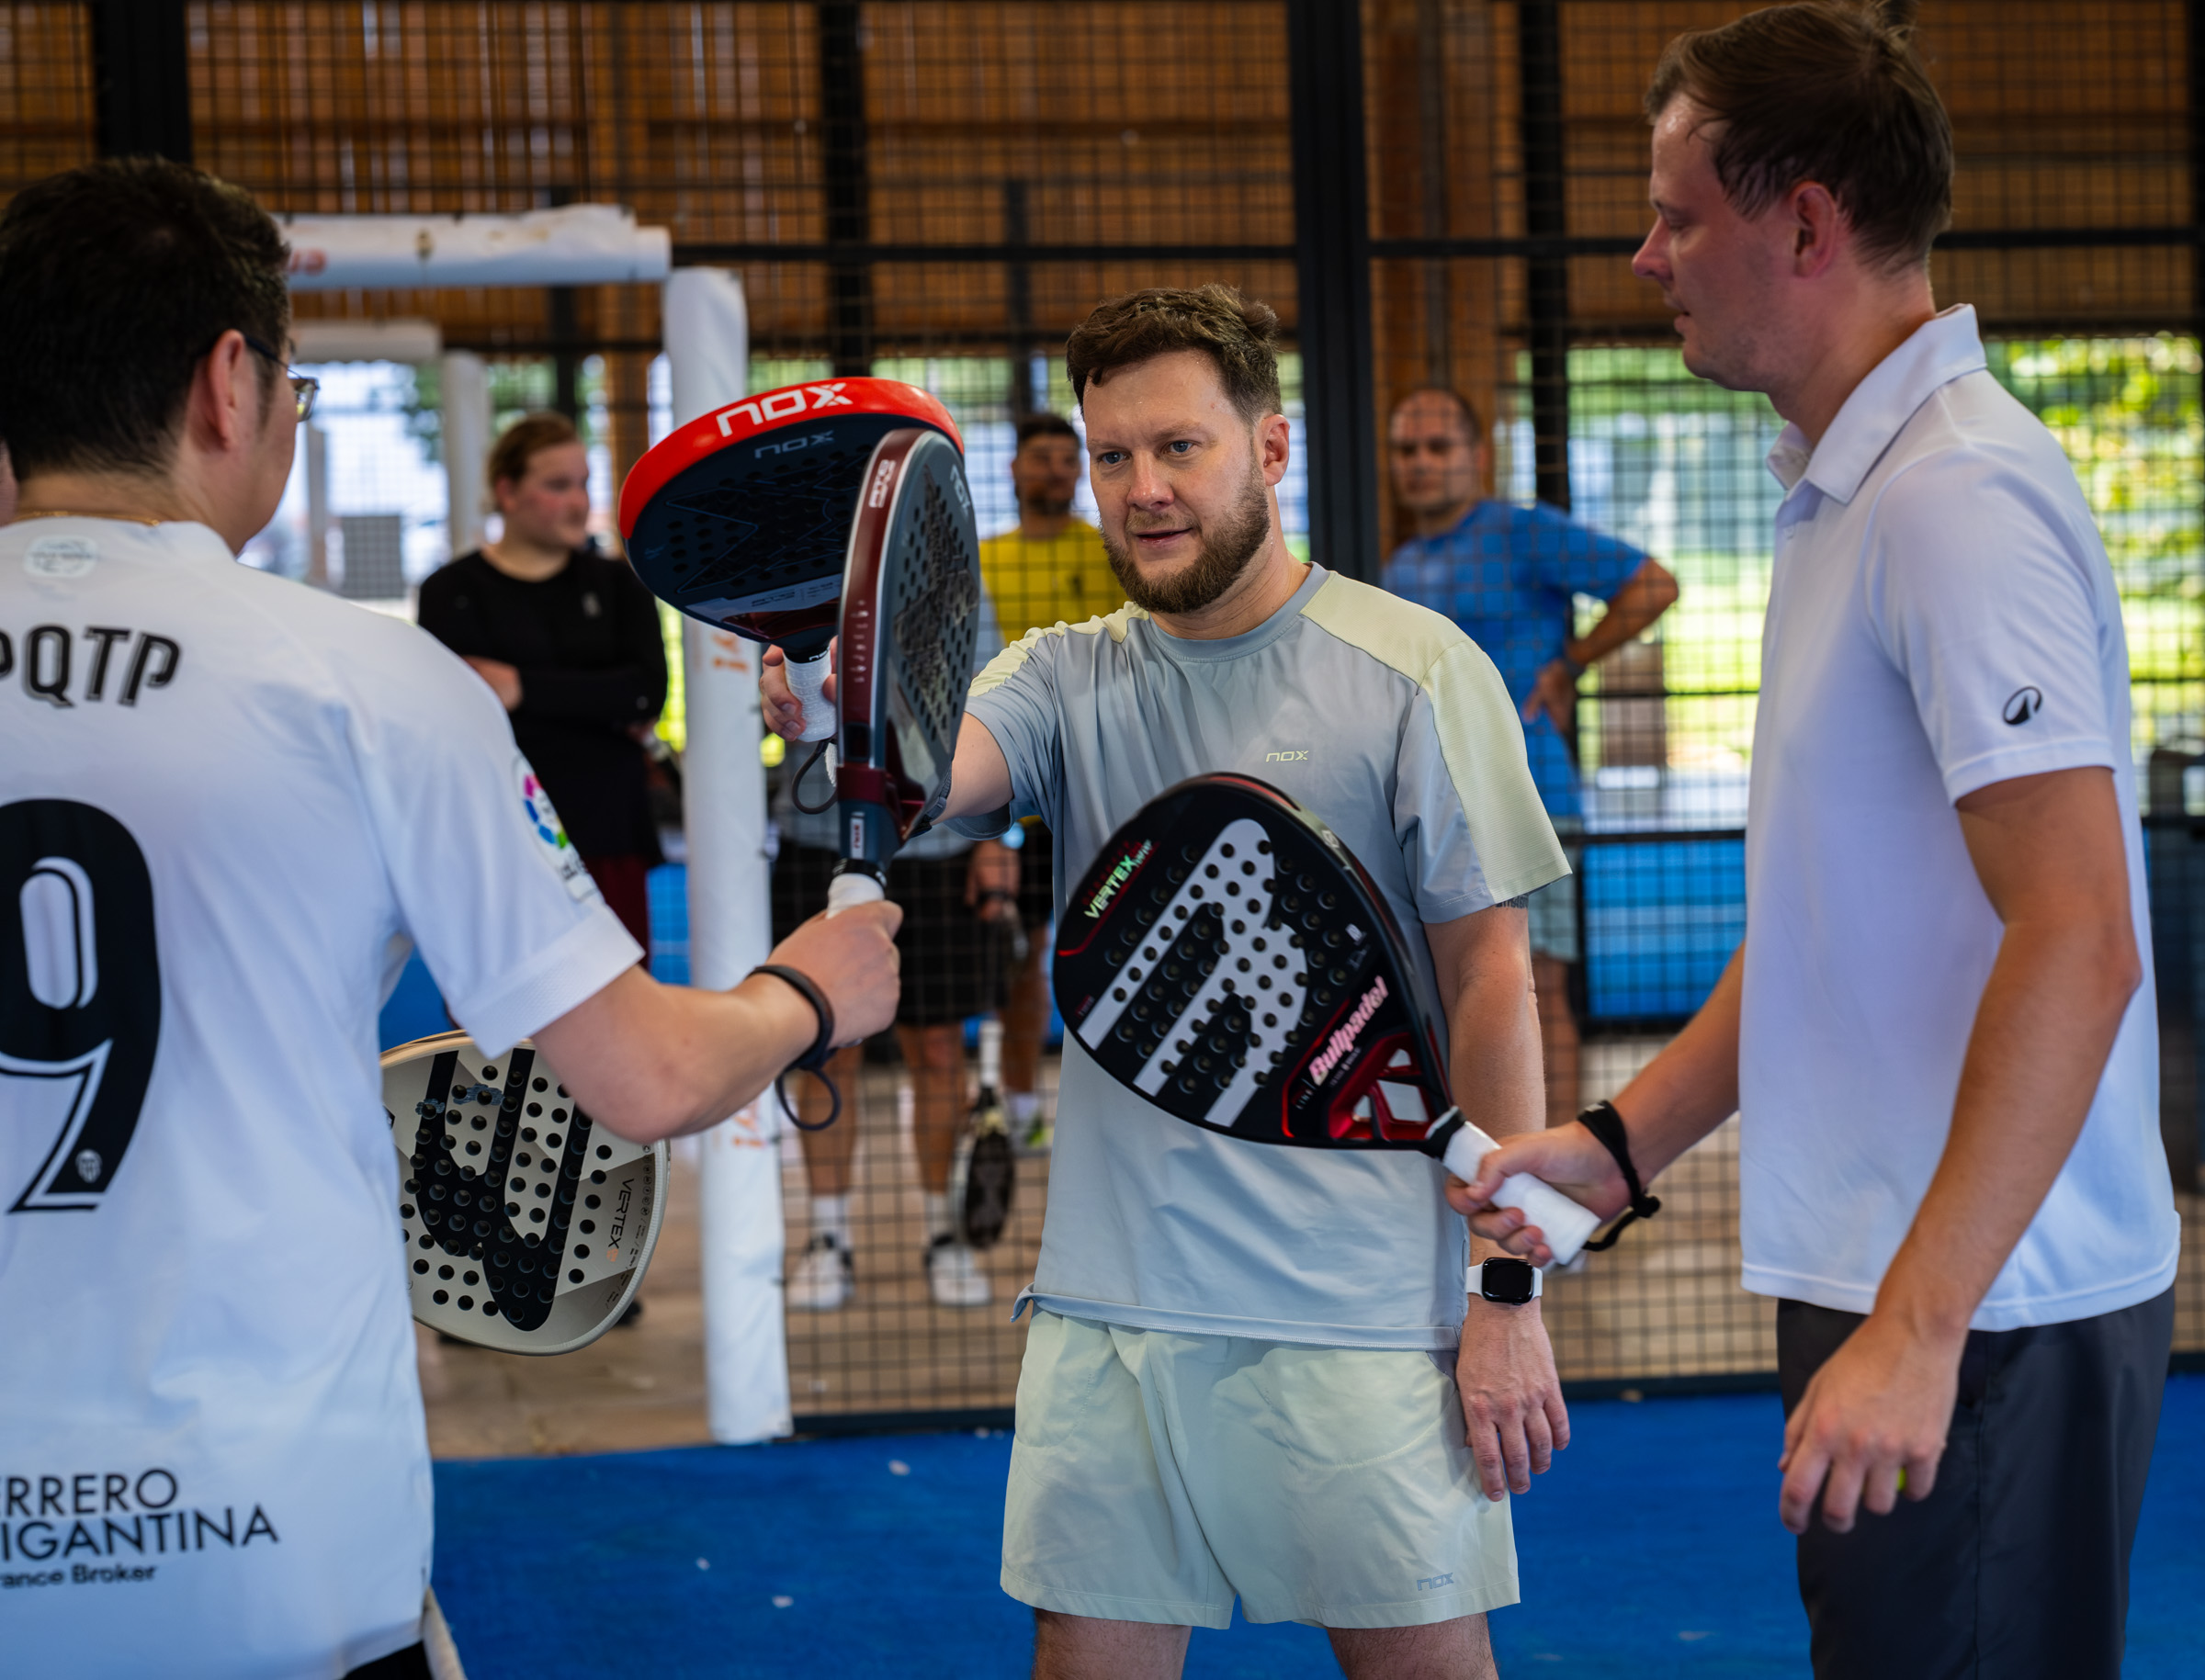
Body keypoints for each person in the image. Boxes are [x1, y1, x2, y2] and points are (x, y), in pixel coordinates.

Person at [0, 158, 900, 1679]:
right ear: (230, 381)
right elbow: (643, 1076)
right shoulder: (368, 680)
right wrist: (805, 992)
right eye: (291, 379)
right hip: (274, 1544)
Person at [1458, 6, 2178, 1675]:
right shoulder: (1855, 486)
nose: (1646, 257)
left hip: (1985, 1307)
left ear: (1806, 224)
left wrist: (1923, 1323)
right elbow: (1830, 938)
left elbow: (2078, 933)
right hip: (1928, 1287)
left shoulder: (1951, 499)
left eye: (1678, 214)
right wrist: (1623, 1145)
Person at [767, 285, 1572, 1680]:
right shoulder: (1065, 675)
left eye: (1179, 449)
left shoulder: (1414, 671)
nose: (1141, 490)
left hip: (1367, 1318)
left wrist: (1509, 1296)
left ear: (1268, 451)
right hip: (1112, 1316)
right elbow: (926, 780)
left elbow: (1490, 983)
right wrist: (836, 722)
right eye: (1112, 456)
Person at [1384, 389, 1677, 1128]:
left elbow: (1652, 584)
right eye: (1406, 450)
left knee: (1537, 987)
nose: (1420, 463)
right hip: (1436, 807)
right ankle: (1488, 1176)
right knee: (1458, 994)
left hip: (1530, 798)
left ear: (1478, 456)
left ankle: (1555, 1184)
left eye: (1438, 447)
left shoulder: (1523, 532)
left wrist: (1570, 664)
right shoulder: (1402, 565)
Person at [775, 614, 1019, 1312]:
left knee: (940, 1049)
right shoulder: (790, 573)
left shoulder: (940, 550)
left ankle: (945, 1233)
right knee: (825, 1049)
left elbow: (997, 708)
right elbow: (760, 709)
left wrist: (1003, 839)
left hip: (938, 845)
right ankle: (827, 1238)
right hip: (818, 842)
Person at [417, 414, 669, 953]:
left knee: (620, 1018)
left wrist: (520, 688)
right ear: (507, 492)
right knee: (505, 1026)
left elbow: (646, 692)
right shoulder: (450, 592)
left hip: (605, 830)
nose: (578, 501)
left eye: (583, 483)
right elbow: (449, 716)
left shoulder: (619, 585)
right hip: (495, 836)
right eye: (557, 485)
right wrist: (594, 700)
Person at [977, 412, 1124, 1148]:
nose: (1058, 471)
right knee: (1026, 956)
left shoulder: (1108, 551)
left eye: (1071, 459)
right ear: (1014, 470)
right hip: (1016, 790)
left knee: (1121, 944)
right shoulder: (983, 561)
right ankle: (1024, 1107)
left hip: (1109, 780)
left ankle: (1123, 1103)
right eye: (1042, 457)